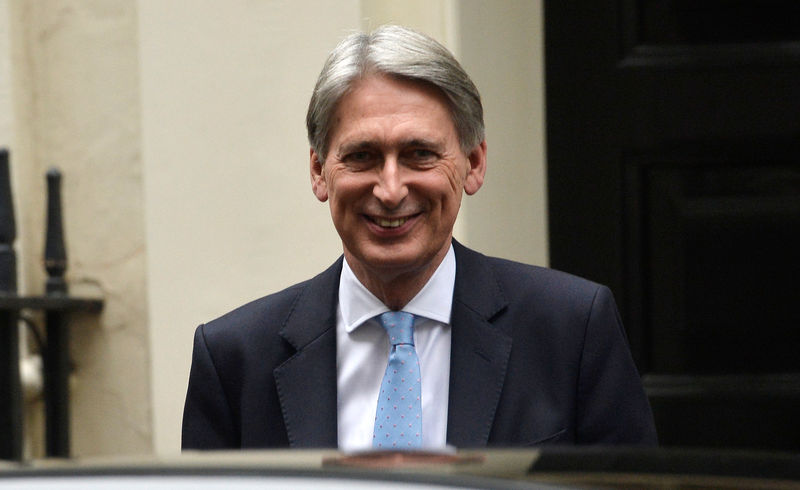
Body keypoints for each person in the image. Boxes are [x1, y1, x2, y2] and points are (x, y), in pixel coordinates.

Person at [182, 25, 657, 451]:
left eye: (419, 154)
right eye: (363, 156)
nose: (390, 190)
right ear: (318, 171)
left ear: (473, 164)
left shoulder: (572, 331)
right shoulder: (234, 360)